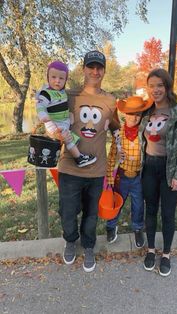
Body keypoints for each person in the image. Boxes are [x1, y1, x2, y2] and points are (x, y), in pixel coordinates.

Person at [58, 50, 120, 272]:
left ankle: (89, 245)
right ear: (83, 68)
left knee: (91, 215)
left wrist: (121, 139)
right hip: (69, 167)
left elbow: (115, 126)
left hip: (97, 170)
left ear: (104, 71)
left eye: (99, 67)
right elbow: (51, 116)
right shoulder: (69, 96)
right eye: (91, 66)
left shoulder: (111, 100)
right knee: (67, 212)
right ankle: (70, 240)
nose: (95, 71)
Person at [141, 68, 177, 276]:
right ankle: (151, 250)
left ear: (167, 86)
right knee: (150, 210)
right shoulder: (146, 111)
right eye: (151, 86)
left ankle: (166, 254)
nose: (155, 90)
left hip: (169, 169)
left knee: (168, 214)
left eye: (159, 85)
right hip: (149, 168)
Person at [106, 96, 152, 248]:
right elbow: (112, 155)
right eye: (131, 113)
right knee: (116, 202)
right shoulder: (118, 133)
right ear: (124, 114)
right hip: (122, 176)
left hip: (138, 177)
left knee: (138, 205)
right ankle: (111, 226)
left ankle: (138, 228)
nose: (134, 117)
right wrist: (110, 178)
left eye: (138, 114)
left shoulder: (143, 134)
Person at [36, 60, 96, 167]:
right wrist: (43, 115)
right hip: (54, 124)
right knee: (68, 138)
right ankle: (79, 158)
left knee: (70, 136)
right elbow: (40, 105)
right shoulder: (46, 93)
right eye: (53, 77)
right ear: (48, 77)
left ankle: (73, 150)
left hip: (63, 121)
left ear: (65, 80)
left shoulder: (62, 92)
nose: (57, 81)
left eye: (61, 78)